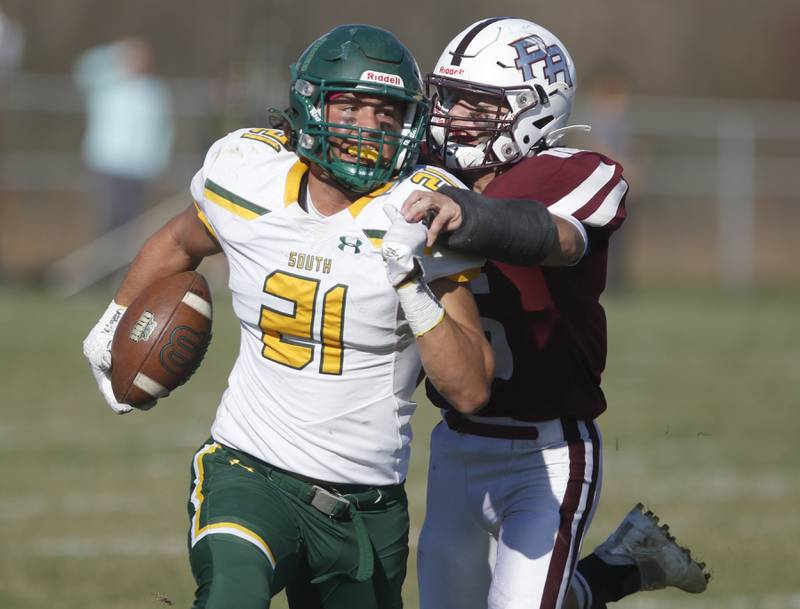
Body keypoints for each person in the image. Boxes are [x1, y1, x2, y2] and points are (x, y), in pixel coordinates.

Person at [82, 24, 493, 609]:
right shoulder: (251, 180)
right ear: (310, 104)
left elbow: (471, 388)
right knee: (232, 593)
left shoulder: (421, 216)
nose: (368, 126)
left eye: (387, 111)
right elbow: (179, 241)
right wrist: (114, 322)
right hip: (247, 471)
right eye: (350, 105)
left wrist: (409, 280)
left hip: (366, 504)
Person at [397, 18, 709, 609]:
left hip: (545, 452)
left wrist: (464, 215)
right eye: (450, 98)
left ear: (534, 110)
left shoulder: (572, 172)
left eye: (478, 104)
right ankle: (618, 569)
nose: (453, 116)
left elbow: (557, 238)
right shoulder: (423, 175)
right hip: (455, 444)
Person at [74, 37, 174, 234]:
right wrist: (116, 51)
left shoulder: (154, 90)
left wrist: (160, 160)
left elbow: (165, 128)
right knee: (108, 217)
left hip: (140, 166)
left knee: (131, 220)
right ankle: (103, 262)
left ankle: (124, 263)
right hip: (108, 162)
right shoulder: (106, 84)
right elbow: (83, 68)